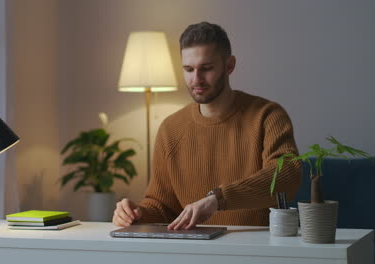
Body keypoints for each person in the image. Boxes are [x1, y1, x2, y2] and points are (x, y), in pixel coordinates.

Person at [112, 22, 301, 230]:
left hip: (255, 248)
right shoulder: (170, 129)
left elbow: (286, 177)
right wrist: (136, 214)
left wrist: (218, 199)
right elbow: (163, 206)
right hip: (194, 252)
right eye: (188, 69)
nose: (196, 79)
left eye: (206, 68)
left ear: (229, 66)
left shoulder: (268, 116)